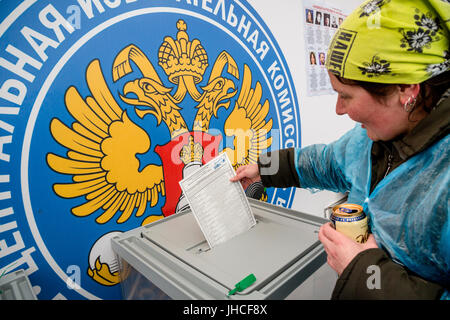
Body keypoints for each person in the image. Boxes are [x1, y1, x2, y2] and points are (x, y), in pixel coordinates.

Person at [230, 0, 449, 300]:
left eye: (345, 96)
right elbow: (326, 162)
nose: (337, 109)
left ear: (406, 90)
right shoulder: (369, 139)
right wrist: (263, 168)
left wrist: (365, 273)